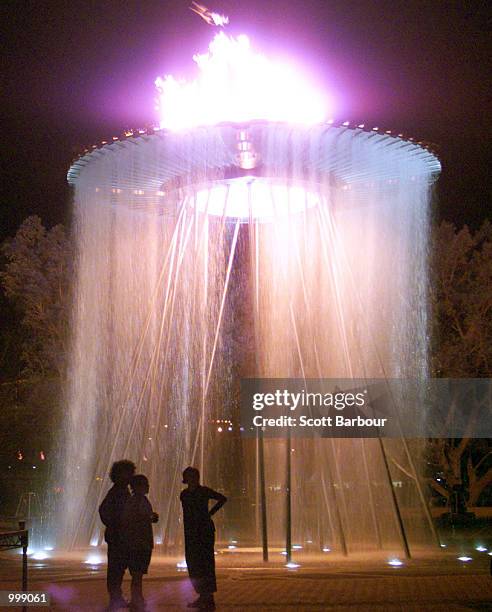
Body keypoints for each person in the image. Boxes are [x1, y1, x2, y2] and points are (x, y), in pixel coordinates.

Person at [180, 467, 227, 610]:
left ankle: (208, 597)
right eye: (189, 476)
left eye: (193, 476)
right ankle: (203, 596)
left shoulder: (203, 491)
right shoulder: (184, 494)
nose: (191, 479)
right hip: (191, 532)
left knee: (205, 563)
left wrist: (209, 514)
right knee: (193, 563)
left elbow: (222, 498)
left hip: (204, 532)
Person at [99, 459, 136, 611]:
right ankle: (115, 597)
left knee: (118, 567)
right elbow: (103, 510)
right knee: (116, 567)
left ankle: (117, 597)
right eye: (125, 473)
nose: (128, 477)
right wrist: (114, 524)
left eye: (129, 473)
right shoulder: (116, 492)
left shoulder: (122, 491)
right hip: (117, 537)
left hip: (121, 536)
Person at [121, 474, 159, 612]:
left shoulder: (140, 500)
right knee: (137, 574)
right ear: (138, 487)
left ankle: (138, 598)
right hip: (138, 542)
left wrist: (151, 517)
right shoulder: (135, 501)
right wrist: (150, 517)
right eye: (146, 484)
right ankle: (136, 600)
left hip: (141, 542)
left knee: (138, 574)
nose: (148, 486)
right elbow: (134, 519)